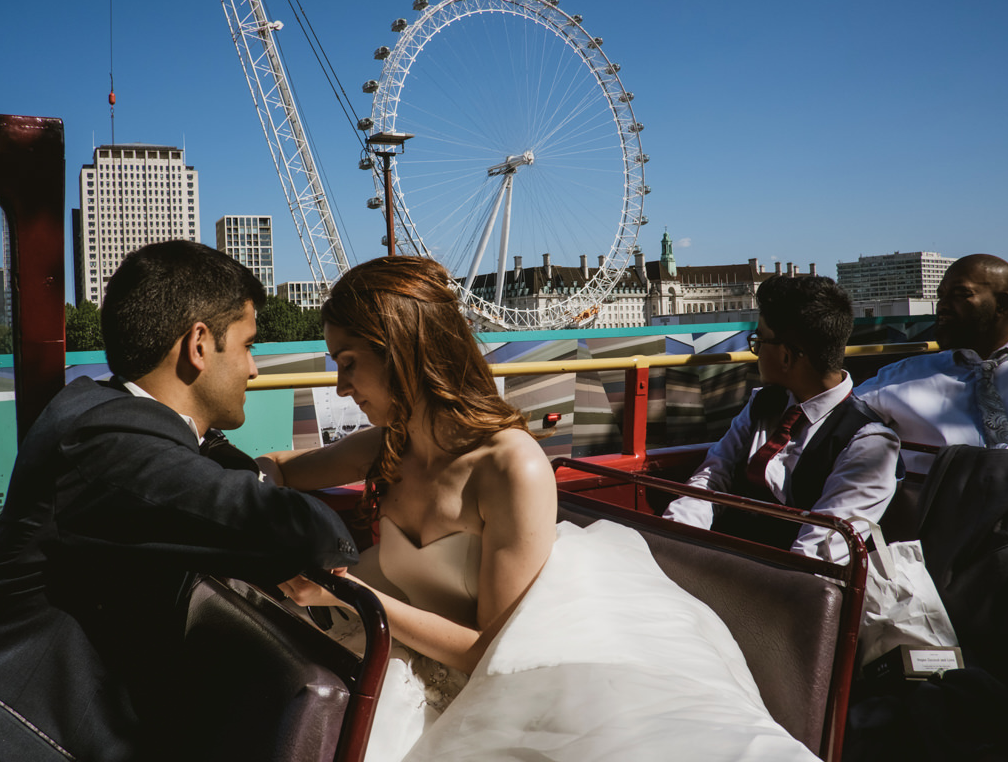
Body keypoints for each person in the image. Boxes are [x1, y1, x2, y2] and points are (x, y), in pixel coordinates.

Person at [262, 255, 820, 762]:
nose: (339, 385)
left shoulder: (511, 467)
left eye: (350, 363)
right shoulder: (392, 442)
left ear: (403, 353)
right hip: (405, 652)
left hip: (494, 683)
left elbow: (486, 651)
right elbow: (281, 468)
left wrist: (347, 591)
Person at [0, 240, 359, 762]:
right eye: (247, 346)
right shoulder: (109, 440)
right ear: (199, 344)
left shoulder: (104, 407)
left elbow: (225, 478)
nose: (254, 370)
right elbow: (297, 530)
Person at [663, 275, 900, 562]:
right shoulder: (763, 403)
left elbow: (813, 558)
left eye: (759, 341)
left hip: (776, 587)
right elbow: (715, 474)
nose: (756, 351)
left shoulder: (869, 445)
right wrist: (671, 540)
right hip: (721, 561)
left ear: (786, 357)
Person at [854, 253, 1008, 476]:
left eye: (961, 295)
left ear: (1003, 304)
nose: (943, 306)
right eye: (941, 296)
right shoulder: (898, 378)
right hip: (936, 508)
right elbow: (830, 423)